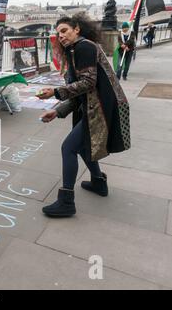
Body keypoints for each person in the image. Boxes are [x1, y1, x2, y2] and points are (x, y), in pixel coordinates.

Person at [37, 12, 131, 218]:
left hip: (102, 106)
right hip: (93, 105)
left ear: (77, 29)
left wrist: (55, 92)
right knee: (82, 145)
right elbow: (81, 90)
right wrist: (58, 110)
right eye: (58, 33)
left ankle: (66, 201)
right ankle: (98, 182)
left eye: (64, 31)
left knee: (68, 147)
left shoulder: (84, 47)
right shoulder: (74, 50)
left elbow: (88, 83)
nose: (60, 36)